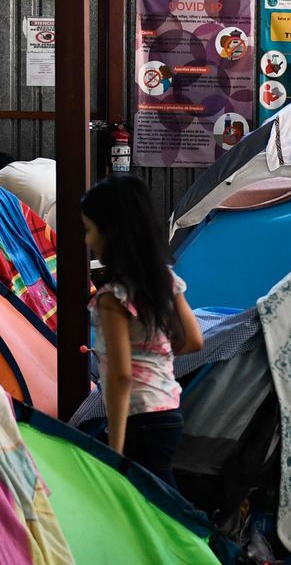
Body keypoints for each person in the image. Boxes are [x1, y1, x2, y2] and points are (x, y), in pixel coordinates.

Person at [82, 175, 203, 488]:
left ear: (112, 232)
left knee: (160, 510)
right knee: (160, 503)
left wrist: (115, 449)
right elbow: (193, 340)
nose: (87, 240)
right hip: (168, 413)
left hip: (139, 419)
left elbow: (122, 376)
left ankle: (204, 538)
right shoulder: (165, 280)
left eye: (90, 229)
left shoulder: (112, 298)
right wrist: (152, 354)